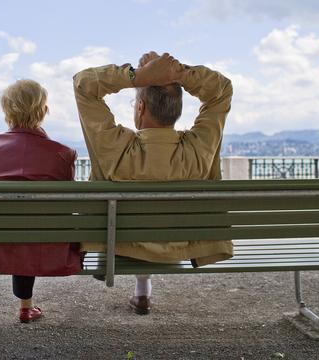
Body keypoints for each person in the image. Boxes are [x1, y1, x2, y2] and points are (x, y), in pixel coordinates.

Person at [73, 51, 234, 315]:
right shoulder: (197, 151)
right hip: (180, 245)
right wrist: (179, 72)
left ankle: (140, 286)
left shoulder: (115, 149)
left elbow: (83, 84)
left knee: (123, 222)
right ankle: (143, 290)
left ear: (140, 108)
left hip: (120, 244)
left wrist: (137, 76)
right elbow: (221, 90)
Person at [0, 79, 82, 323]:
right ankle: (26, 307)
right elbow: (66, 204)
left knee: (15, 224)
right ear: (44, 111)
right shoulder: (63, 153)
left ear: (6, 111)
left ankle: (26, 305)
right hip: (48, 242)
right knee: (30, 226)